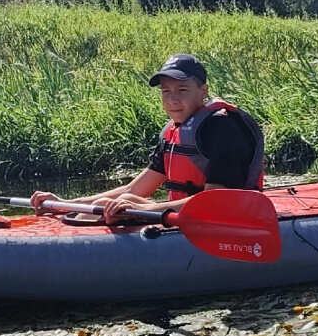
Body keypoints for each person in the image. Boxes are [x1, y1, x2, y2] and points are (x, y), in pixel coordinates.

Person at [30, 53, 265, 222]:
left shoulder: (222, 127)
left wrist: (149, 208)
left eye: (182, 90)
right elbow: (136, 188)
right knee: (112, 202)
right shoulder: (175, 130)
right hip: (179, 215)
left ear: (202, 91)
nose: (173, 99)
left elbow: (215, 201)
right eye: (166, 91)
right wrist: (67, 204)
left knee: (119, 204)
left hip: (228, 220)